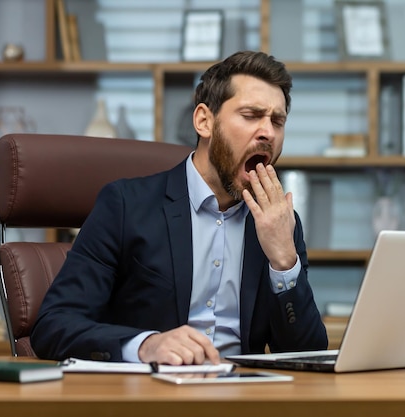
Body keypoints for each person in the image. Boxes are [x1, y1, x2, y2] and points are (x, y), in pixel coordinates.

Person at [30, 51, 328, 364]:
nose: (268, 132)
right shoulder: (125, 205)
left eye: (277, 121)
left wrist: (284, 261)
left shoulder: (280, 223)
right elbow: (53, 325)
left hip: (243, 395)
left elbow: (307, 355)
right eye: (251, 115)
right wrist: (146, 346)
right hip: (149, 395)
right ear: (204, 121)